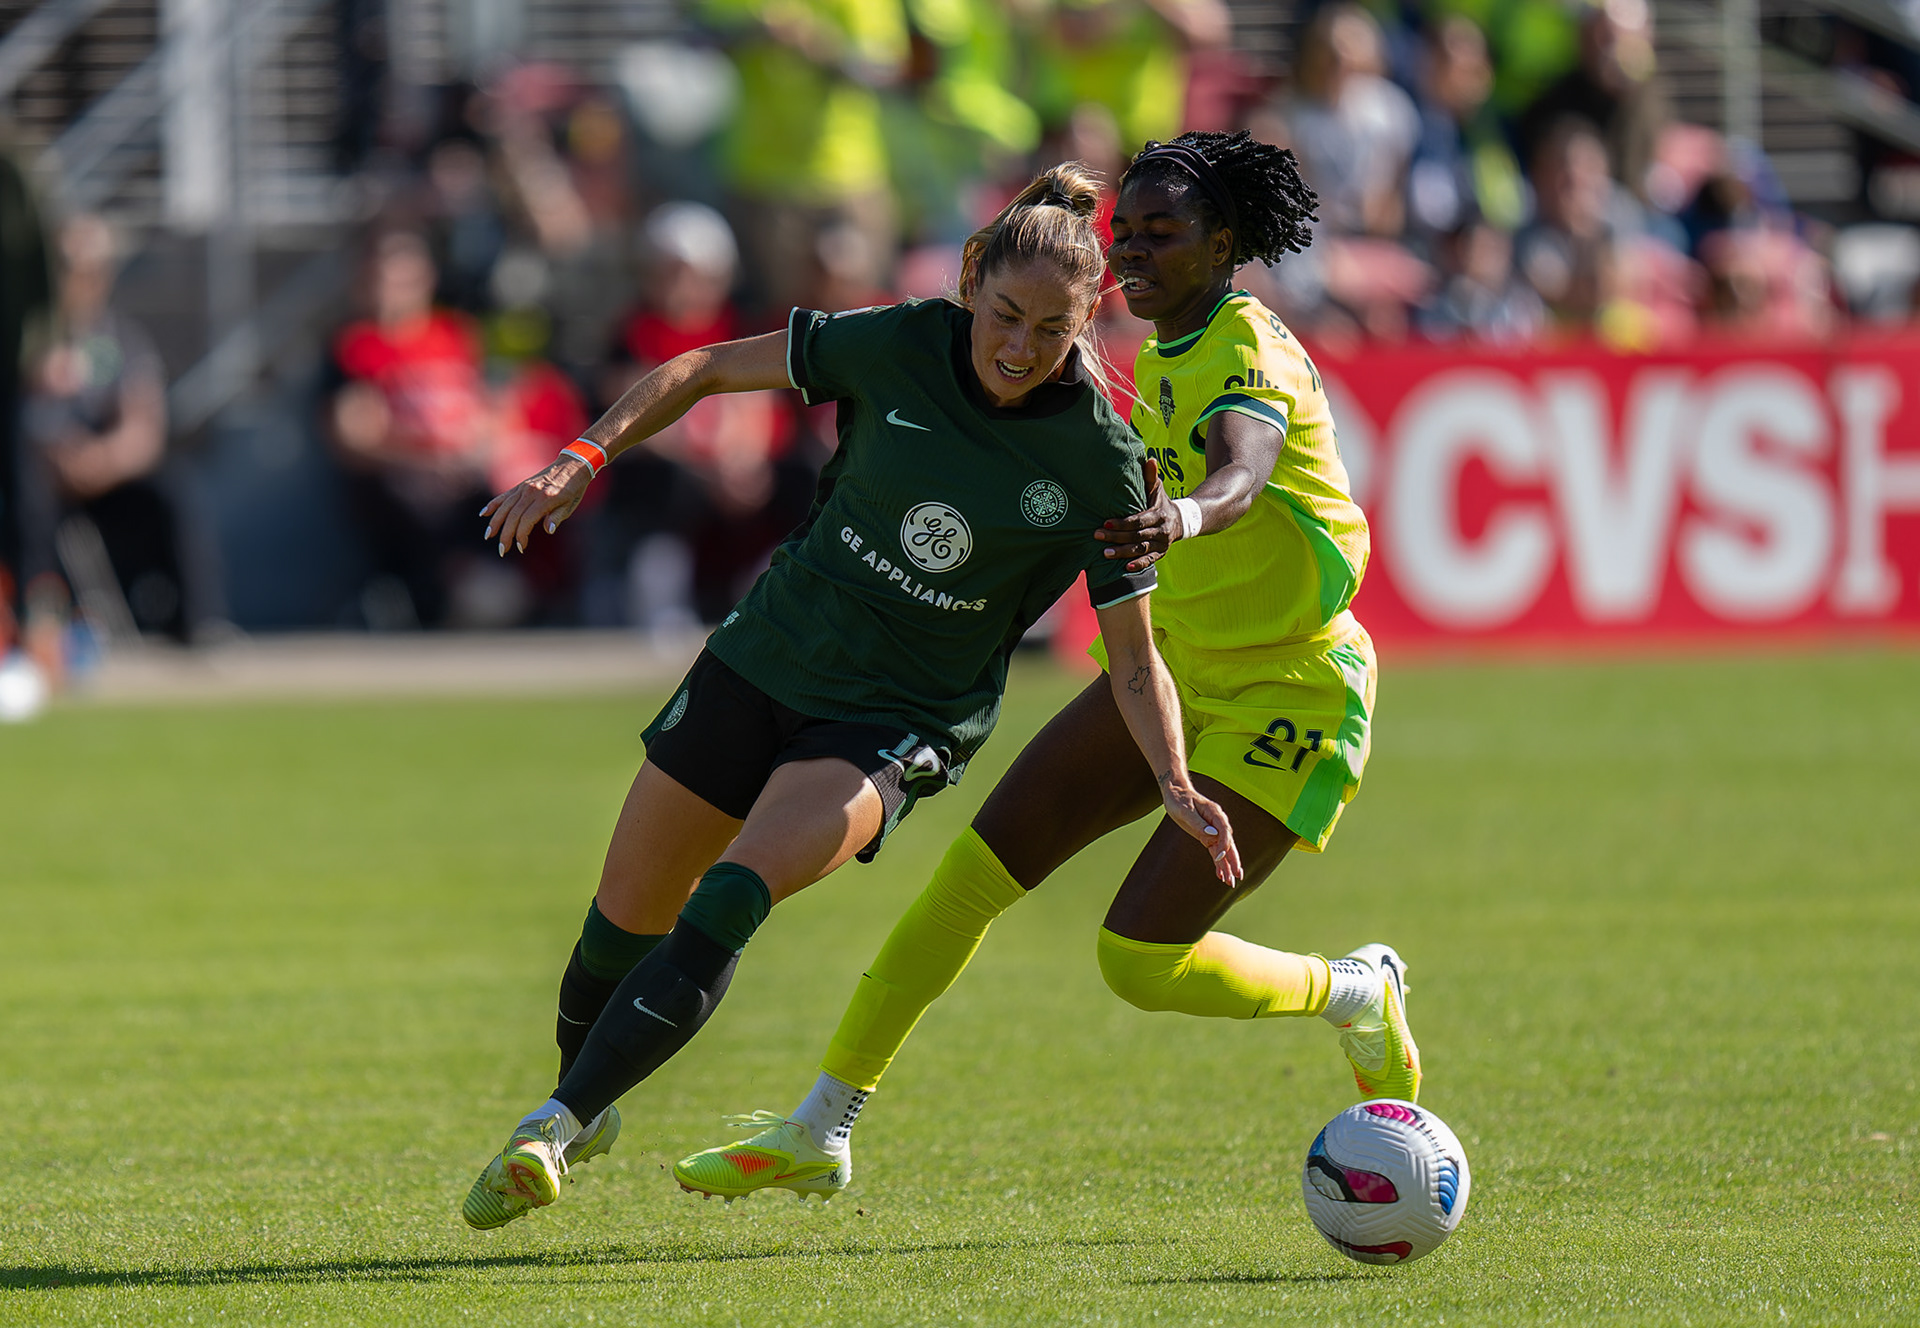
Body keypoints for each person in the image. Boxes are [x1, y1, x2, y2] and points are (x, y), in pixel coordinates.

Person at [459, 163, 1244, 1230]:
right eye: (1005, 314)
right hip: (767, 653)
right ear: (972, 283)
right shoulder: (900, 341)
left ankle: (552, 1121)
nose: (1019, 346)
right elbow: (696, 368)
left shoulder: (1102, 461)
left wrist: (1175, 780)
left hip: (896, 718)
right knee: (618, 924)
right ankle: (584, 1099)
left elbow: (1133, 652)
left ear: (1088, 323)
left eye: (1053, 330)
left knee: (731, 894)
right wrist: (581, 457)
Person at [673, 130, 1422, 1204]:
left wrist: (1187, 515)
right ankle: (818, 1124)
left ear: (1223, 245)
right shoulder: (1151, 351)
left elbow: (1245, 471)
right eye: (1129, 237)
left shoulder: (1246, 346)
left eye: (1163, 238)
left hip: (1294, 684)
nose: (1136, 258)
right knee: (969, 877)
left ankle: (1355, 988)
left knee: (1136, 960)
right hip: (1176, 664)